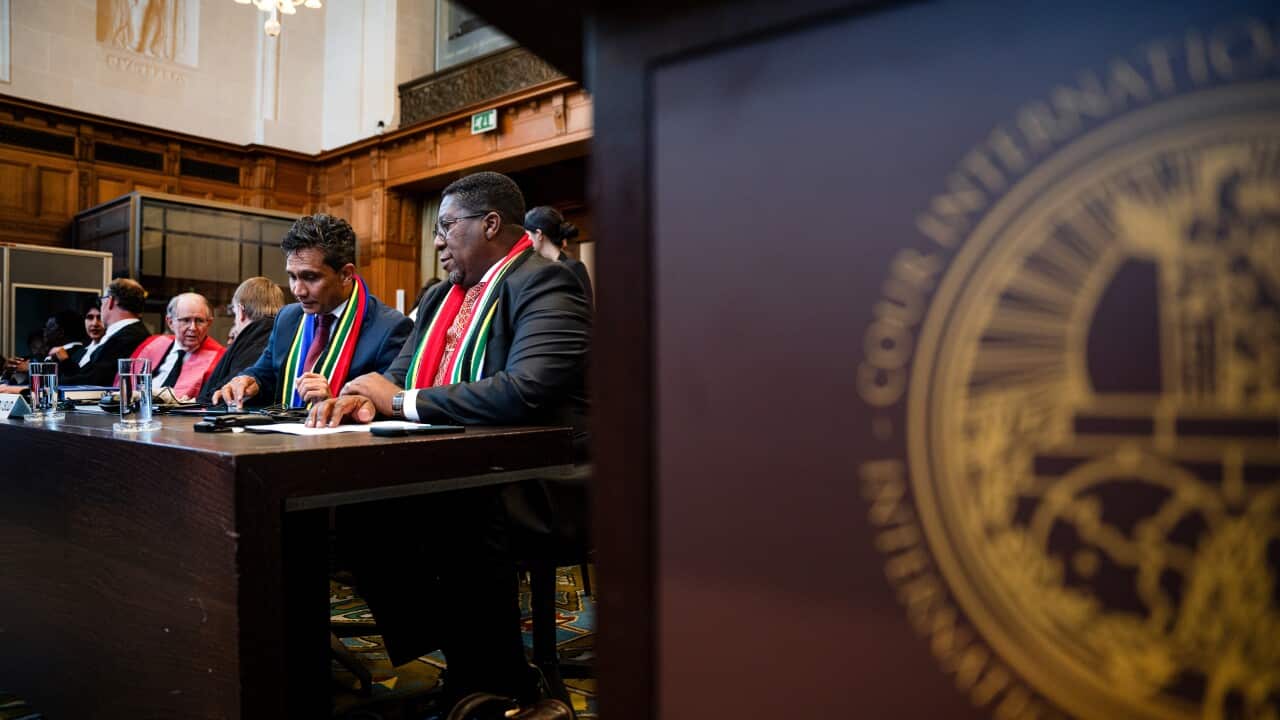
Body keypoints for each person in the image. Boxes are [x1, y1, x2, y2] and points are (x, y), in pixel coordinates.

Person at [307, 171, 591, 707]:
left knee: (453, 508)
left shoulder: (547, 281)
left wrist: (399, 401)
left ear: (490, 224)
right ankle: (470, 660)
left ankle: (497, 680)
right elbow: (400, 375)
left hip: (544, 475)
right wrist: (363, 400)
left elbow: (525, 391)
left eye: (446, 227)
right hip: (463, 465)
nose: (436, 240)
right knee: (357, 506)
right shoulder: (439, 296)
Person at [212, 214, 412, 409]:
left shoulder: (390, 328)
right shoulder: (287, 317)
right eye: (292, 276)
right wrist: (249, 381)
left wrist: (335, 401)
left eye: (310, 277)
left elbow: (391, 404)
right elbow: (266, 374)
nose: (298, 290)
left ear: (345, 274)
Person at [197, 278, 284, 406]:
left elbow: (223, 396)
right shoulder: (283, 335)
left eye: (234, 313)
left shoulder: (253, 340)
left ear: (241, 310)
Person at [129, 293, 225, 400]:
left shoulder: (220, 359)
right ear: (170, 322)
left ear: (209, 323)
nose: (193, 328)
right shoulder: (152, 345)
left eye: (199, 321)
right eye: (186, 320)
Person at [62, 278, 151, 386]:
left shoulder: (126, 338)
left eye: (102, 300)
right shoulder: (132, 333)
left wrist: (50, 383)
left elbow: (94, 381)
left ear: (110, 301)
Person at [524, 205, 593, 305]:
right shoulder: (534, 269)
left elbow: (587, 309)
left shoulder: (574, 268)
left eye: (528, 235)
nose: (527, 241)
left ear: (539, 234)